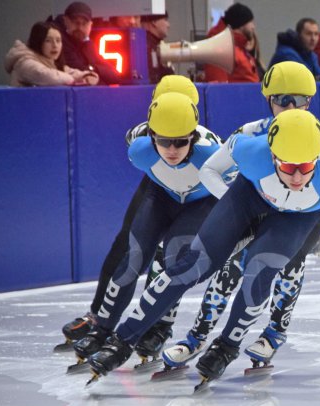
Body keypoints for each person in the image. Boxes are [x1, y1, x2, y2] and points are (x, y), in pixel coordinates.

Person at [88, 108, 320, 381]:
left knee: (260, 267)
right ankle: (122, 340)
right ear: (272, 155)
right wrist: (234, 209)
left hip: (298, 215)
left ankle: (227, 346)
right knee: (193, 264)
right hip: (249, 196)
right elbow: (209, 170)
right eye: (289, 167)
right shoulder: (250, 151)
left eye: (306, 167)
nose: (297, 177)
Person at [160, 61, 320, 371]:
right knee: (229, 271)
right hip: (258, 209)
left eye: (298, 100)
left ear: (309, 101)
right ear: (269, 100)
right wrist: (230, 205)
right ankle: (197, 337)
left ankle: (274, 332)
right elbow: (211, 169)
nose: (290, 106)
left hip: (301, 216)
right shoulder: (251, 133)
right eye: (282, 99)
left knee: (287, 266)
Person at [62, 76, 222, 363]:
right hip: (161, 195)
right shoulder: (138, 144)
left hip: (200, 202)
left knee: (175, 259)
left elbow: (234, 194)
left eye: (180, 141)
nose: (171, 150)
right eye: (163, 140)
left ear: (193, 132)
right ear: (152, 129)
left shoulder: (213, 153)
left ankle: (159, 327)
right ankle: (102, 324)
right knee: (132, 254)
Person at [5, 21, 99, 87]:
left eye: (58, 41)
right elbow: (47, 76)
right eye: (48, 41)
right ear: (38, 42)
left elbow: (71, 72)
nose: (55, 45)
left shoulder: (53, 63)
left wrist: (88, 76)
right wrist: (75, 80)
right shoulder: (24, 63)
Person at [49, 1, 122, 84]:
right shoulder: (59, 43)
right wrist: (97, 73)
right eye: (76, 22)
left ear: (91, 25)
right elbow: (80, 70)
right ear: (66, 21)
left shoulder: (89, 44)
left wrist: (93, 69)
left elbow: (115, 75)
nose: (80, 27)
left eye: (84, 23)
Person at [202, 3, 259, 83]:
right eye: (251, 22)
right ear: (241, 24)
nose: (253, 27)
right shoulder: (221, 50)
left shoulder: (239, 48)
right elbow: (218, 87)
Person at [141, 12, 175, 83]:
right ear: (154, 22)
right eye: (165, 20)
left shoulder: (156, 45)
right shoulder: (147, 47)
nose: (168, 25)